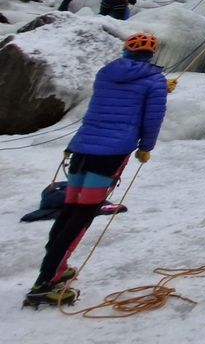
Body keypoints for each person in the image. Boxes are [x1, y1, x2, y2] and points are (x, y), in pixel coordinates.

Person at [23, 33, 167, 308]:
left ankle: (55, 268)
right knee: (83, 215)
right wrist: (145, 147)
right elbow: (152, 117)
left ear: (125, 52)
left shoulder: (106, 73)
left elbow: (103, 107)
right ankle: (46, 282)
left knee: (70, 210)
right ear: (151, 55)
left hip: (83, 148)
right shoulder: (154, 80)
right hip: (111, 153)